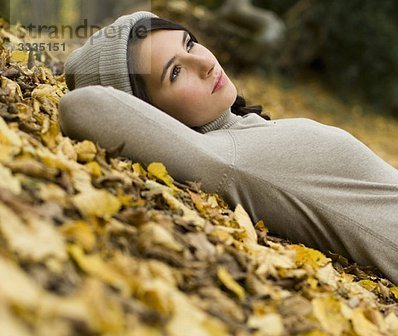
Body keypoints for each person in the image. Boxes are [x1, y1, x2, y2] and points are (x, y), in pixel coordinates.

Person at [59, 10, 398, 285]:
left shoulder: (246, 133)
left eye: (189, 44)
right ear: (148, 111)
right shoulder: (223, 159)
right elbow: (82, 106)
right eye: (175, 73)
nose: (204, 63)